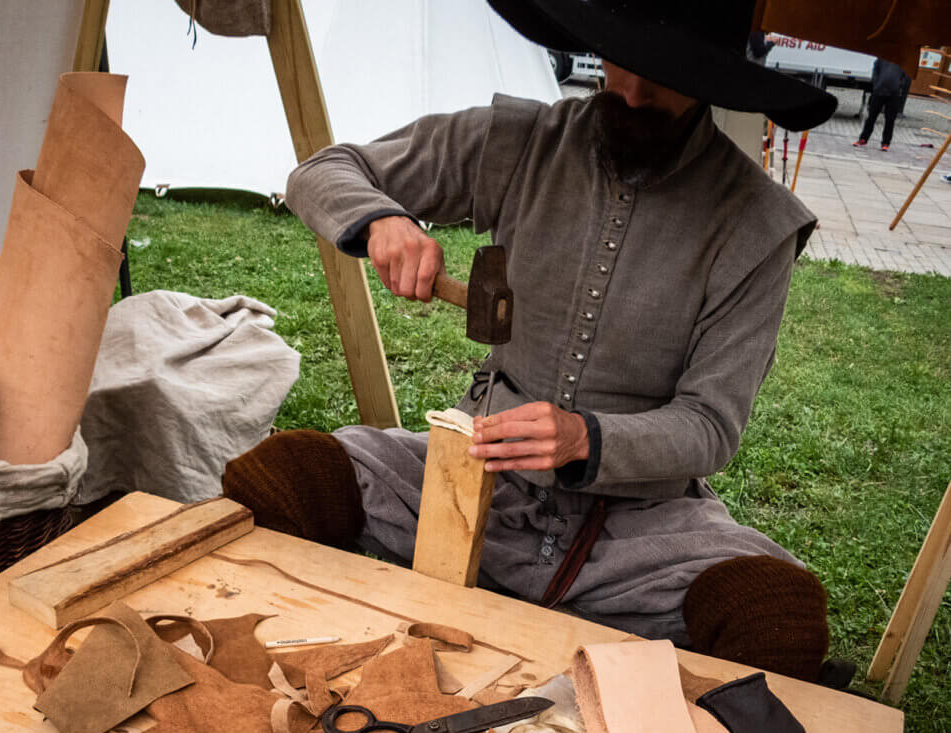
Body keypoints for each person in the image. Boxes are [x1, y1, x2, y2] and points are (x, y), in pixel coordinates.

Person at [223, 0, 842, 682]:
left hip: (636, 528)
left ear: (714, 81)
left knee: (776, 617)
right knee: (283, 478)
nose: (633, 92)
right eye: (623, 64)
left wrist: (586, 439)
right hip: (481, 477)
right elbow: (323, 172)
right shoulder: (521, 142)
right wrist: (381, 222)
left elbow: (710, 427)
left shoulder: (756, 224)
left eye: (667, 78)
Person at [854, 59, 910, 151]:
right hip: (879, 91)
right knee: (871, 117)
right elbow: (875, 70)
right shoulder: (882, 58)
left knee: (890, 120)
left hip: (894, 94)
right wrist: (876, 84)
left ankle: (885, 143)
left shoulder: (902, 60)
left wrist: (899, 85)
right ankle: (863, 139)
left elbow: (905, 75)